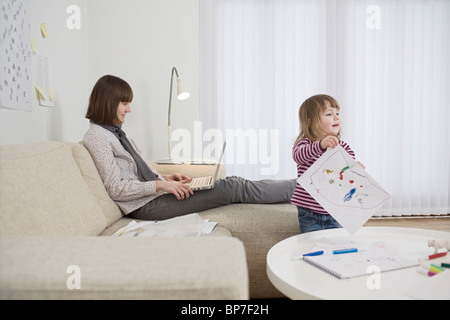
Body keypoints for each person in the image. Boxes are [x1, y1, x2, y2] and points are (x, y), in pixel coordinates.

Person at [83, 75, 296, 221]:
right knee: (232, 187)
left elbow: (134, 174)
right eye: (124, 103)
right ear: (108, 102)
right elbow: (115, 188)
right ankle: (301, 189)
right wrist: (160, 186)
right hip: (144, 206)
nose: (129, 110)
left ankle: (294, 189)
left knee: (232, 183)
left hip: (152, 197)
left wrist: (166, 179)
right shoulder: (97, 137)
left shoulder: (113, 133)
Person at [290, 94, 364, 233]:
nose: (336, 117)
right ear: (310, 122)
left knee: (336, 243)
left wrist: (355, 170)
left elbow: (346, 175)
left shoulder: (344, 148)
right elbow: (298, 156)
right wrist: (320, 145)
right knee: (312, 245)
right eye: (329, 114)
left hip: (335, 210)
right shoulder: (306, 144)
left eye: (337, 113)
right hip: (310, 212)